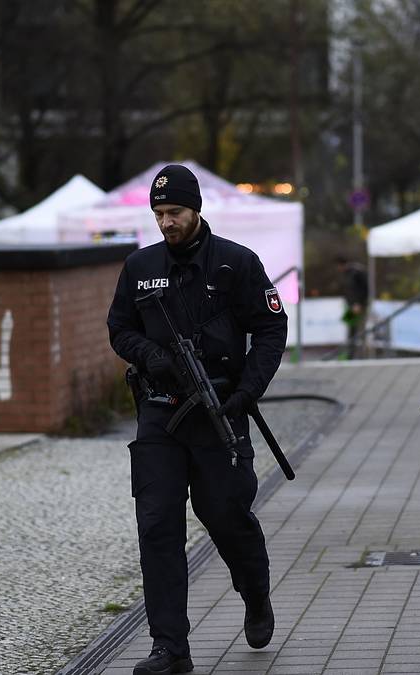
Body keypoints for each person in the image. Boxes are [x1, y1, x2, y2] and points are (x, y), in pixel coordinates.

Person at [107, 164, 288, 675]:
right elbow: (118, 327)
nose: (167, 223)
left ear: (197, 209)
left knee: (227, 518)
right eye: (159, 214)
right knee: (157, 524)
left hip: (220, 413)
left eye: (175, 213)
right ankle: (170, 648)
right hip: (161, 415)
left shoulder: (235, 264)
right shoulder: (140, 267)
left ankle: (255, 592)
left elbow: (272, 328)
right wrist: (148, 354)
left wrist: (247, 391)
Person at [336, 255, 370, 358]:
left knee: (360, 330)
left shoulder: (357, 272)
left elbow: (365, 289)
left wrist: (359, 303)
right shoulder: (347, 273)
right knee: (351, 330)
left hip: (359, 306)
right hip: (351, 307)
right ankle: (351, 354)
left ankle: (362, 355)